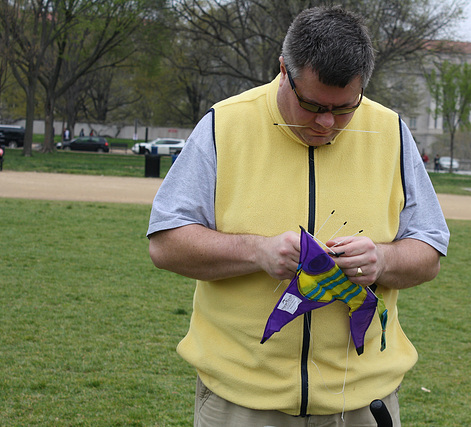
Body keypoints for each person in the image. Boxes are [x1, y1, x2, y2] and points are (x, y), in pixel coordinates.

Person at [147, 7, 450, 426]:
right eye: (311, 104)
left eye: (345, 108)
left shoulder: (391, 131)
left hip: (362, 403)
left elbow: (429, 251)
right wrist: (257, 251)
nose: (326, 123)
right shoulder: (224, 124)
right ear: (283, 68)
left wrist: (383, 259)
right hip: (241, 403)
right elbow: (165, 243)